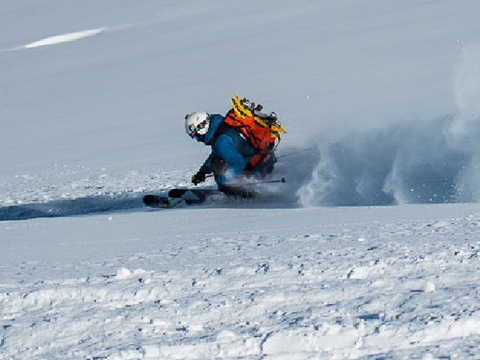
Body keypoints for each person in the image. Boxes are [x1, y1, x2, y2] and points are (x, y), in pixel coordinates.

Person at [185, 109, 278, 197]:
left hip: (258, 168)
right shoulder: (222, 128)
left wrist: (224, 180)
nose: (198, 140)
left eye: (196, 136)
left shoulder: (220, 142)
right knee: (218, 162)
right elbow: (216, 154)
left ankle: (244, 196)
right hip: (263, 159)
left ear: (202, 128)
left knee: (218, 166)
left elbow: (238, 162)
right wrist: (202, 172)